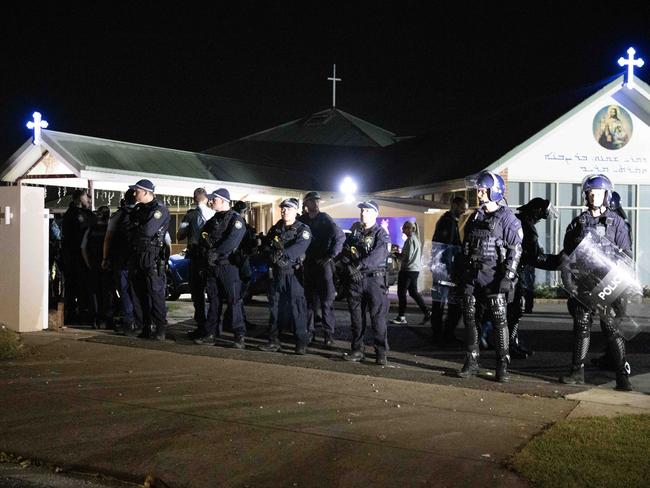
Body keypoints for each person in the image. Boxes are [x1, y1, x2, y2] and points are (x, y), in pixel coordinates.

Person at [559, 174, 633, 391]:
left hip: (609, 282)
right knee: (581, 326)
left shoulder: (617, 223)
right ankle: (577, 371)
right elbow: (567, 256)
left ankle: (622, 376)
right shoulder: (577, 223)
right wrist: (570, 284)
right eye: (590, 192)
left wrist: (621, 285)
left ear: (606, 195)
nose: (593, 195)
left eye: (598, 192)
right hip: (584, 283)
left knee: (612, 328)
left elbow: (627, 255)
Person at [457, 171, 523, 383]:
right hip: (472, 274)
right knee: (469, 316)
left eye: (484, 189)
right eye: (479, 189)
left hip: (493, 275)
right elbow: (466, 245)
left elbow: (516, 250)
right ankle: (472, 359)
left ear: (495, 191)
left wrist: (508, 277)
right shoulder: (475, 216)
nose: (480, 192)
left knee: (499, 319)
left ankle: (502, 363)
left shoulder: (507, 218)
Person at [193, 189, 247, 348]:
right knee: (214, 300)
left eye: (214, 199)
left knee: (234, 300)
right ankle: (211, 333)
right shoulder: (214, 219)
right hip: (212, 266)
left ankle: (239, 335)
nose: (211, 201)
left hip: (228, 266)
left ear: (223, 201)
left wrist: (215, 253)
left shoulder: (235, 220)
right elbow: (202, 235)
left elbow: (232, 241)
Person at [507, 197, 561, 358]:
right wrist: (557, 261)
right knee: (514, 311)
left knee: (512, 311)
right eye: (542, 215)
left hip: (511, 272)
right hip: (514, 274)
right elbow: (534, 256)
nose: (542, 219)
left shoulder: (518, 220)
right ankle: (509, 345)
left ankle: (511, 343)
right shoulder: (527, 226)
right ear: (536, 212)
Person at [259, 198, 312, 354]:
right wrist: (271, 256)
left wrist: (284, 257)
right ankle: (273, 340)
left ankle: (301, 342)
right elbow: (266, 246)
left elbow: (300, 246)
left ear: (296, 210)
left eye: (288, 208)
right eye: (283, 208)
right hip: (277, 273)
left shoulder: (303, 229)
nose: (284, 211)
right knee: (275, 307)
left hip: (293, 274)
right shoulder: (276, 229)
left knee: (297, 308)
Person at [340, 200, 391, 365]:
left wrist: (358, 266)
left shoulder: (380, 234)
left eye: (368, 211)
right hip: (355, 281)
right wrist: (349, 268)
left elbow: (378, 255)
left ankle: (381, 353)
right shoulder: (355, 232)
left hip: (374, 280)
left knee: (378, 318)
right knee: (356, 318)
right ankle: (357, 350)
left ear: (376, 214)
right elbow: (345, 251)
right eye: (362, 211)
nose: (363, 214)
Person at [297, 191, 345, 346]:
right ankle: (309, 332)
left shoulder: (325, 219)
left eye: (317, 201)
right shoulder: (302, 220)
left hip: (323, 265)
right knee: (309, 302)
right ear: (306, 204)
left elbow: (340, 237)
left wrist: (330, 255)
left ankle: (328, 334)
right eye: (312, 201)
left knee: (326, 301)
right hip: (308, 264)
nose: (316, 203)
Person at [127, 179, 170, 340]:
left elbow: (147, 230)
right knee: (138, 292)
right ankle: (144, 326)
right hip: (137, 253)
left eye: (137, 190)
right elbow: (129, 228)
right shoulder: (138, 208)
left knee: (155, 292)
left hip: (151, 255)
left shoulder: (159, 209)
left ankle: (160, 327)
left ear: (146, 192)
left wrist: (137, 226)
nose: (134, 193)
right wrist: (137, 226)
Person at [177, 188, 215, 338]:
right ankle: (213, 328)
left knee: (197, 294)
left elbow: (179, 235)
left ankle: (201, 327)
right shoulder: (214, 214)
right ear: (207, 198)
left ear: (194, 199)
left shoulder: (190, 215)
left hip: (196, 256)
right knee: (213, 294)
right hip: (211, 258)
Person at [429, 196, 467, 345]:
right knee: (444, 304)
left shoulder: (449, 222)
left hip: (446, 270)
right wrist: (447, 268)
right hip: (445, 271)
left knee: (447, 304)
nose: (464, 210)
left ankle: (444, 334)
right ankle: (441, 335)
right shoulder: (447, 222)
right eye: (463, 207)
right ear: (454, 205)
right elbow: (443, 248)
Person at [103, 189, 136, 333]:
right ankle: (142, 321)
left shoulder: (118, 215)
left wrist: (105, 258)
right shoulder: (145, 214)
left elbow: (108, 238)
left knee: (124, 291)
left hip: (121, 259)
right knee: (138, 290)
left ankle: (128, 322)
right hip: (140, 259)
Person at [61, 188, 95, 324]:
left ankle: (75, 312)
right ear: (79, 199)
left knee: (74, 285)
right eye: (85, 198)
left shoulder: (73, 213)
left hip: (73, 255)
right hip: (77, 256)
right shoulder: (76, 215)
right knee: (79, 285)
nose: (88, 200)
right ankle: (79, 313)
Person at [390, 221, 430, 325]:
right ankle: (427, 313)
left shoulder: (410, 240)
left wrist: (396, 255)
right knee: (413, 293)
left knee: (401, 293)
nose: (402, 230)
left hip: (407, 270)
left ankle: (401, 317)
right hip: (414, 270)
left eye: (404, 228)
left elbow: (407, 257)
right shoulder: (416, 239)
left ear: (409, 229)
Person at [82, 206, 113, 329]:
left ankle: (95, 319)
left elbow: (83, 247)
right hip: (107, 264)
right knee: (107, 292)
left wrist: (88, 263)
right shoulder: (110, 229)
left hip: (93, 263)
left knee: (94, 292)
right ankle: (108, 320)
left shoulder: (90, 229)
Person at [232, 200, 259, 324]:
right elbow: (250, 244)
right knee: (239, 296)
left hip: (237, 262)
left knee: (237, 296)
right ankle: (237, 321)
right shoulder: (242, 225)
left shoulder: (232, 222)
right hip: (241, 262)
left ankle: (238, 319)